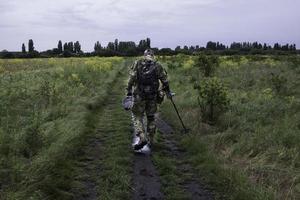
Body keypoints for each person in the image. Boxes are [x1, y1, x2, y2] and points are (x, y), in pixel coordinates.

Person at [126, 49, 171, 151]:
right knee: (151, 118)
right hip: (152, 96)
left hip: (139, 96)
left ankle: (142, 137)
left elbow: (131, 78)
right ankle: (151, 140)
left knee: (137, 116)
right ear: (153, 55)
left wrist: (128, 90)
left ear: (144, 55)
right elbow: (164, 80)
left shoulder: (137, 63)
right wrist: (167, 92)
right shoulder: (157, 65)